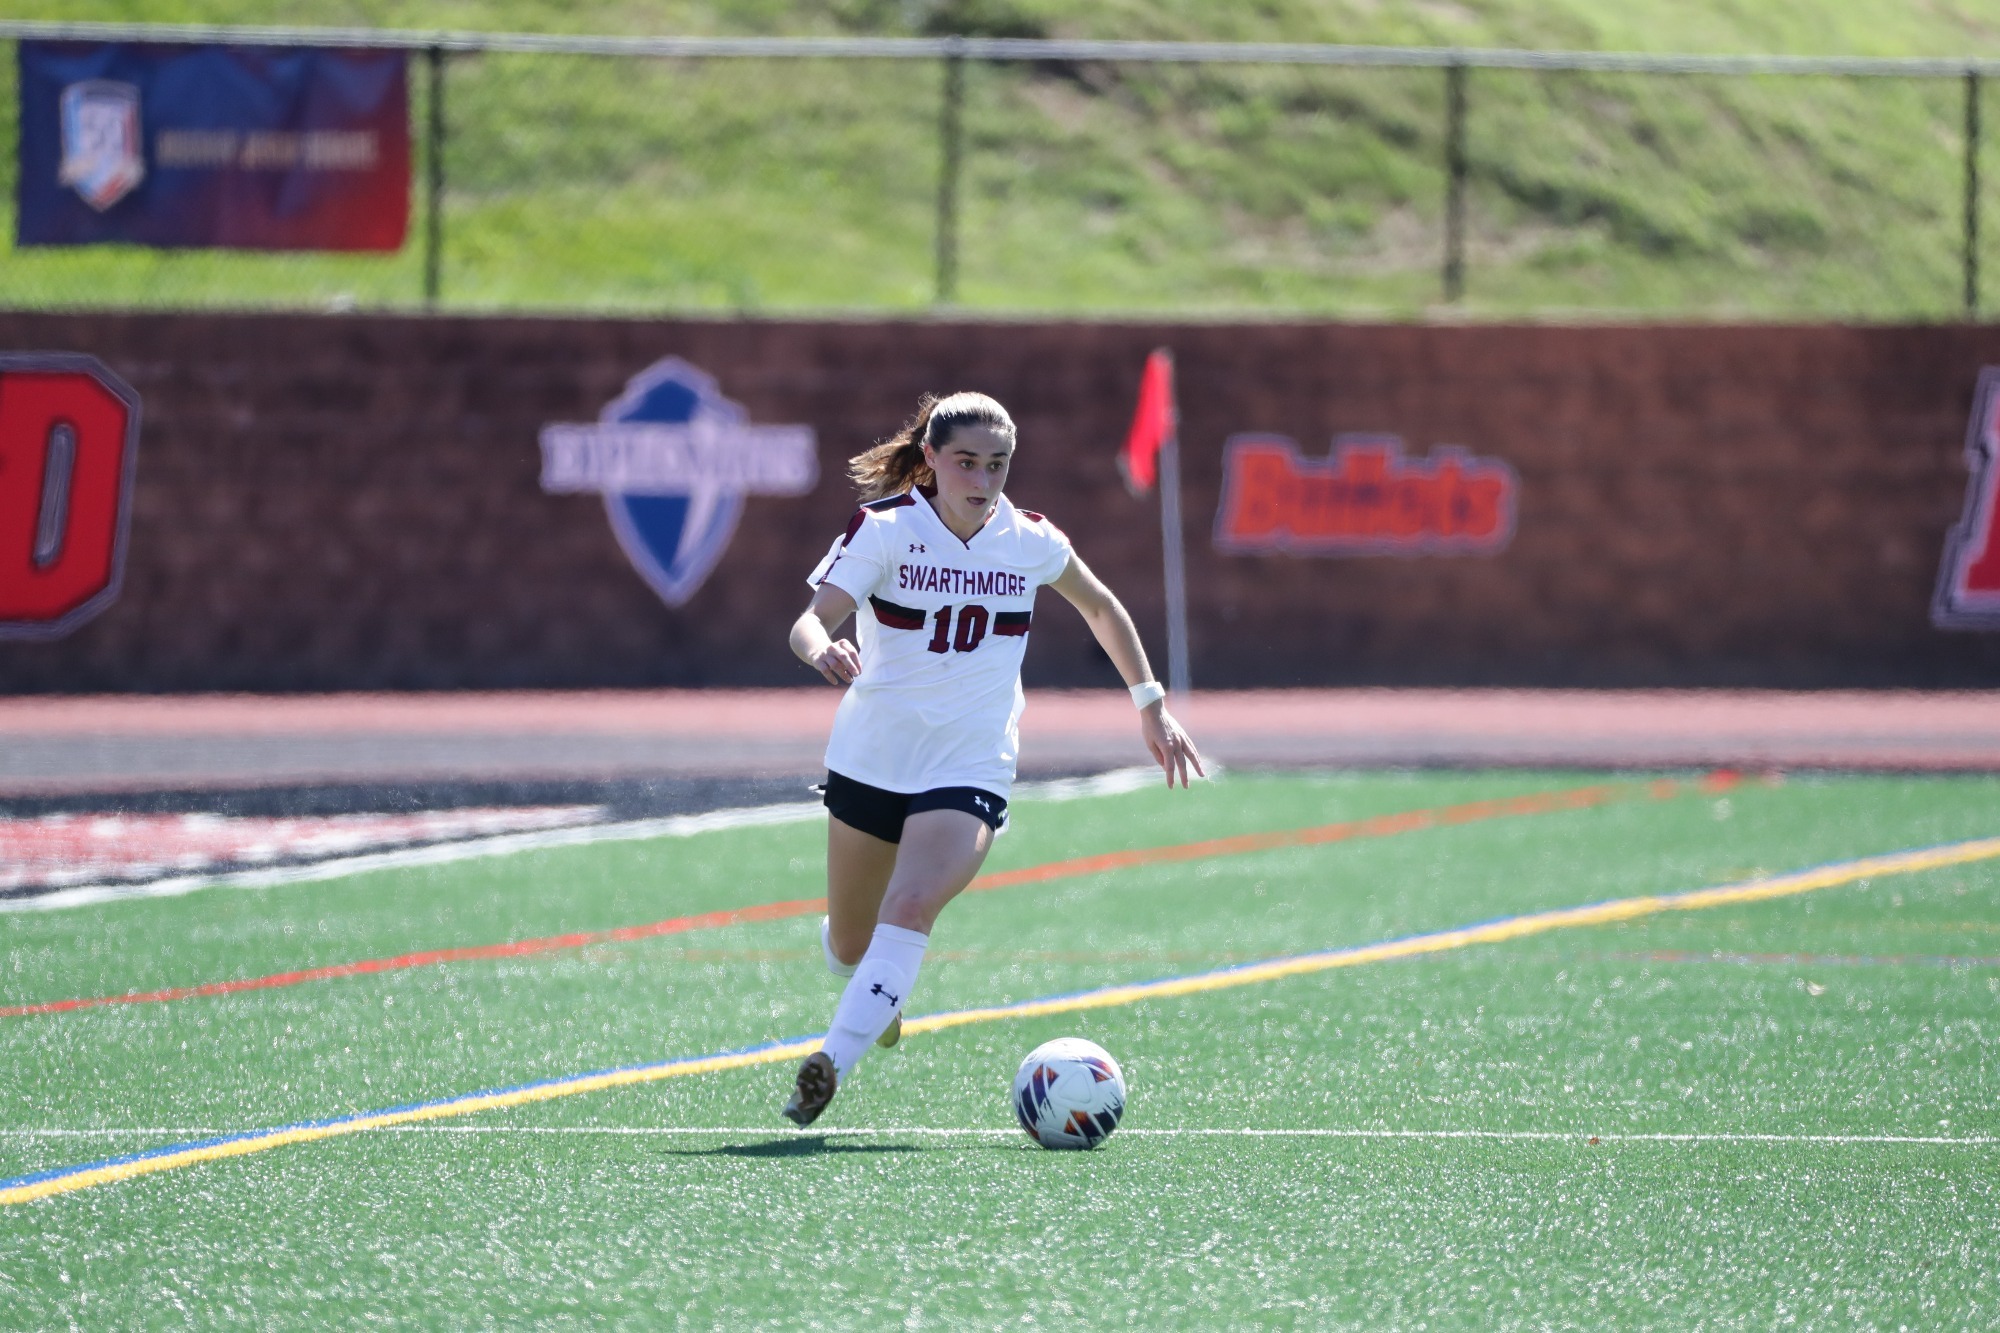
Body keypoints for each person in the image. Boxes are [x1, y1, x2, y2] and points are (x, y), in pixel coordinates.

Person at [782, 390, 1203, 1126]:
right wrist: (826, 648)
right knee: (852, 943)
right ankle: (873, 988)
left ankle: (829, 1064)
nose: (983, 479)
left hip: (971, 763)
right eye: (968, 462)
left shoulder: (1030, 538)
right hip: (872, 756)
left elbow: (1102, 606)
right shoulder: (884, 530)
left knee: (910, 905)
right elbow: (808, 624)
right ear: (932, 461)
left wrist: (1151, 702)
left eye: (998, 465)